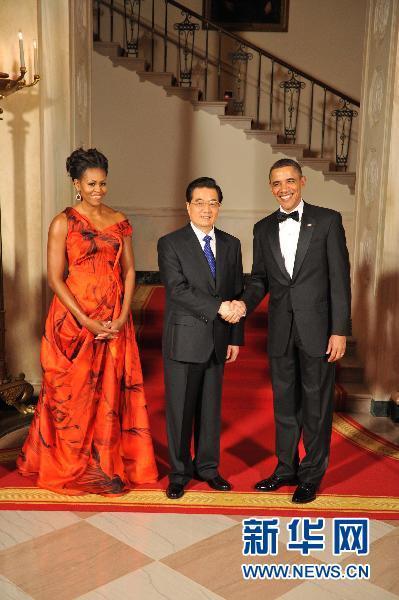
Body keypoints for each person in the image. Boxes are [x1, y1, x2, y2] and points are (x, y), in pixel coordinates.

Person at [17, 148, 158, 494]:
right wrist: (85, 320)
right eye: (91, 183)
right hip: (72, 321)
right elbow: (54, 277)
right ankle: (69, 463)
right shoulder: (62, 222)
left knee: (109, 393)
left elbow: (128, 271)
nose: (98, 190)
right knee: (70, 396)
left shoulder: (120, 220)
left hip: (113, 319)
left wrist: (124, 315)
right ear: (77, 183)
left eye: (103, 183)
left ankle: (103, 466)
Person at [230, 158, 351, 503]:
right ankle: (285, 468)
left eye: (289, 181)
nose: (283, 189)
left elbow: (339, 281)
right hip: (281, 329)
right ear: (271, 187)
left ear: (302, 182)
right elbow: (260, 280)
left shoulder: (328, 221)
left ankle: (311, 475)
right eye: (276, 183)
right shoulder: (263, 228)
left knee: (315, 404)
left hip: (318, 330)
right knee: (284, 405)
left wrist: (339, 330)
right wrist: (243, 304)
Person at [157, 177, 245, 500]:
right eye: (199, 203)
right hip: (184, 340)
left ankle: (208, 468)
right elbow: (177, 290)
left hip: (219, 339)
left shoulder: (232, 244)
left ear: (219, 207)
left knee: (210, 410)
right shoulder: (170, 244)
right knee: (181, 411)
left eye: (212, 203)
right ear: (187, 206)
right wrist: (219, 306)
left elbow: (236, 290)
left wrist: (235, 336)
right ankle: (179, 473)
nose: (206, 209)